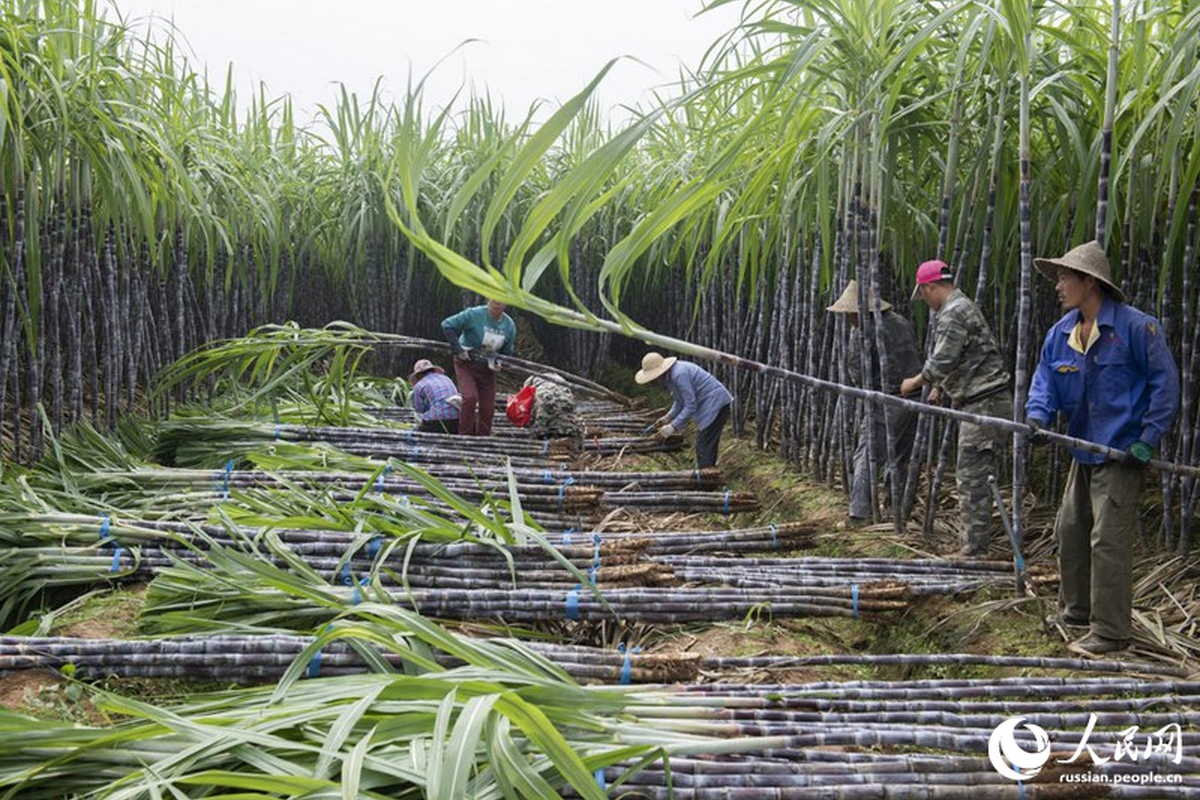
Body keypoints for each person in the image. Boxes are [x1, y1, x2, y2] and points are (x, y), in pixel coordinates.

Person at [1025, 240, 1179, 656]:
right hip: (1083, 450)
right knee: (1070, 529)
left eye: (1064, 277)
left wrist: (1147, 441)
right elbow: (1045, 381)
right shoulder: (1061, 334)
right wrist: (1038, 417)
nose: (1057, 285)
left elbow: (1165, 387)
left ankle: (1110, 632)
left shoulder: (1134, 328)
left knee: (1107, 539)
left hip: (1122, 453)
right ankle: (1077, 613)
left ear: (1089, 281)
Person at [900, 259, 1011, 558]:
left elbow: (943, 360)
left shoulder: (953, 312)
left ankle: (975, 551)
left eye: (923, 295)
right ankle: (974, 544)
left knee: (972, 477)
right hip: (983, 401)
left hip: (985, 404)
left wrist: (916, 381)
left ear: (930, 287)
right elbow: (968, 355)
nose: (924, 302)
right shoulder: (961, 307)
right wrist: (941, 387)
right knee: (974, 474)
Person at [826, 280, 921, 523]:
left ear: (859, 312)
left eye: (850, 314)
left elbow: (856, 370)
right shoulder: (901, 322)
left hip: (885, 400)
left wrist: (869, 395)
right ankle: (896, 509)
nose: (849, 319)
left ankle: (860, 513)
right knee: (900, 456)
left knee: (867, 453)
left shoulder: (864, 331)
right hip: (915, 398)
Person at [636, 352, 733, 469]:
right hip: (710, 405)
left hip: (715, 403)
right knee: (706, 445)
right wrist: (668, 417)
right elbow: (679, 401)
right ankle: (708, 475)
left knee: (704, 446)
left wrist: (672, 427)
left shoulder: (679, 374)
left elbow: (690, 405)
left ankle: (706, 479)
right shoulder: (671, 377)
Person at [441, 298, 516, 436]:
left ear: (505, 304)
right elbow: (447, 325)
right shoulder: (474, 314)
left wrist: (498, 362)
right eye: (494, 302)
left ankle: (483, 437)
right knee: (470, 398)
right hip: (466, 363)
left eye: (500, 303)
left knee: (488, 407)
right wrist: (458, 349)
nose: (496, 306)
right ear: (488, 300)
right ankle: (465, 436)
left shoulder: (509, 325)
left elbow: (506, 352)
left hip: (487, 368)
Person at [525, 373, 584, 442]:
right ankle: (571, 434)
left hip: (545, 399)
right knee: (568, 417)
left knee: (539, 424)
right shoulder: (559, 377)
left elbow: (524, 395)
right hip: (566, 399)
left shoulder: (532, 378)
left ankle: (537, 441)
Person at [408, 359, 459, 434]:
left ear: (419, 375)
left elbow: (419, 409)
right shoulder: (447, 379)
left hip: (435, 422)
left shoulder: (419, 385)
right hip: (456, 420)